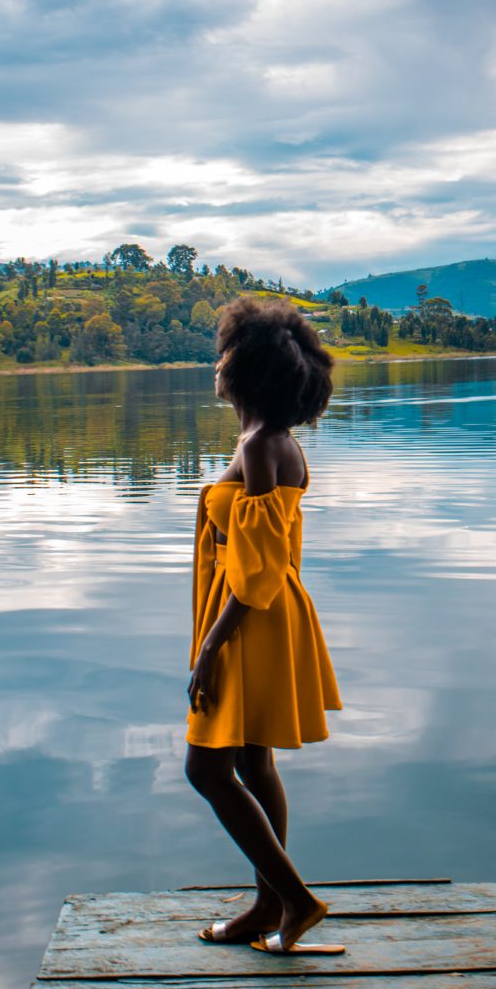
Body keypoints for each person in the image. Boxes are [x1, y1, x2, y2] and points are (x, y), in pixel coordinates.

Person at [185, 296, 344, 955]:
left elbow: (256, 571)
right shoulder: (271, 441)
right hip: (259, 615)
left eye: (225, 353)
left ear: (246, 371)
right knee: (253, 762)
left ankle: (295, 900)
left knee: (206, 769)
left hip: (247, 620)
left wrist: (209, 651)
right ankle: (266, 905)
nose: (216, 363)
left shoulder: (259, 446)